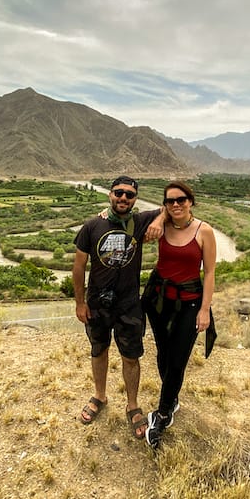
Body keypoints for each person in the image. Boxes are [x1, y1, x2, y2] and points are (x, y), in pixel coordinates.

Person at [72, 175, 164, 440]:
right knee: (98, 350)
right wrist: (80, 302)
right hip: (97, 304)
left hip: (129, 304)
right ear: (110, 195)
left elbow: (175, 206)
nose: (123, 198)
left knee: (131, 356)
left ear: (135, 199)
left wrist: (157, 220)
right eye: (118, 193)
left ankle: (132, 405)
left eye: (129, 195)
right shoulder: (92, 226)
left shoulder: (141, 221)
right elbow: (78, 267)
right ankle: (99, 396)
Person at [142, 180, 217, 450]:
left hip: (189, 303)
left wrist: (205, 309)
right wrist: (160, 216)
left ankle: (161, 415)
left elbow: (209, 272)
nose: (176, 204)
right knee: (162, 352)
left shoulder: (204, 231)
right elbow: (128, 223)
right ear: (164, 205)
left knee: (178, 359)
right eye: (170, 201)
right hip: (159, 300)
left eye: (181, 200)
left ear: (191, 201)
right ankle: (171, 397)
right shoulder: (161, 226)